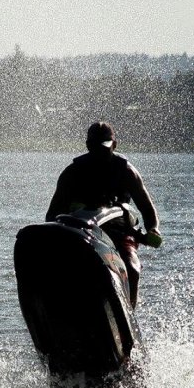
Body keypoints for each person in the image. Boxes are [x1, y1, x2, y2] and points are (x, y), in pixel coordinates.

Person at [46, 122, 161, 307]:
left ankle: (128, 317)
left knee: (132, 269)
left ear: (114, 145)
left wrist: (153, 229)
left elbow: (147, 208)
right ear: (88, 146)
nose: (100, 152)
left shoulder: (127, 172)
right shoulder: (72, 173)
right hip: (82, 235)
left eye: (105, 147)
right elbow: (51, 215)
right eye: (95, 147)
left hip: (120, 233)